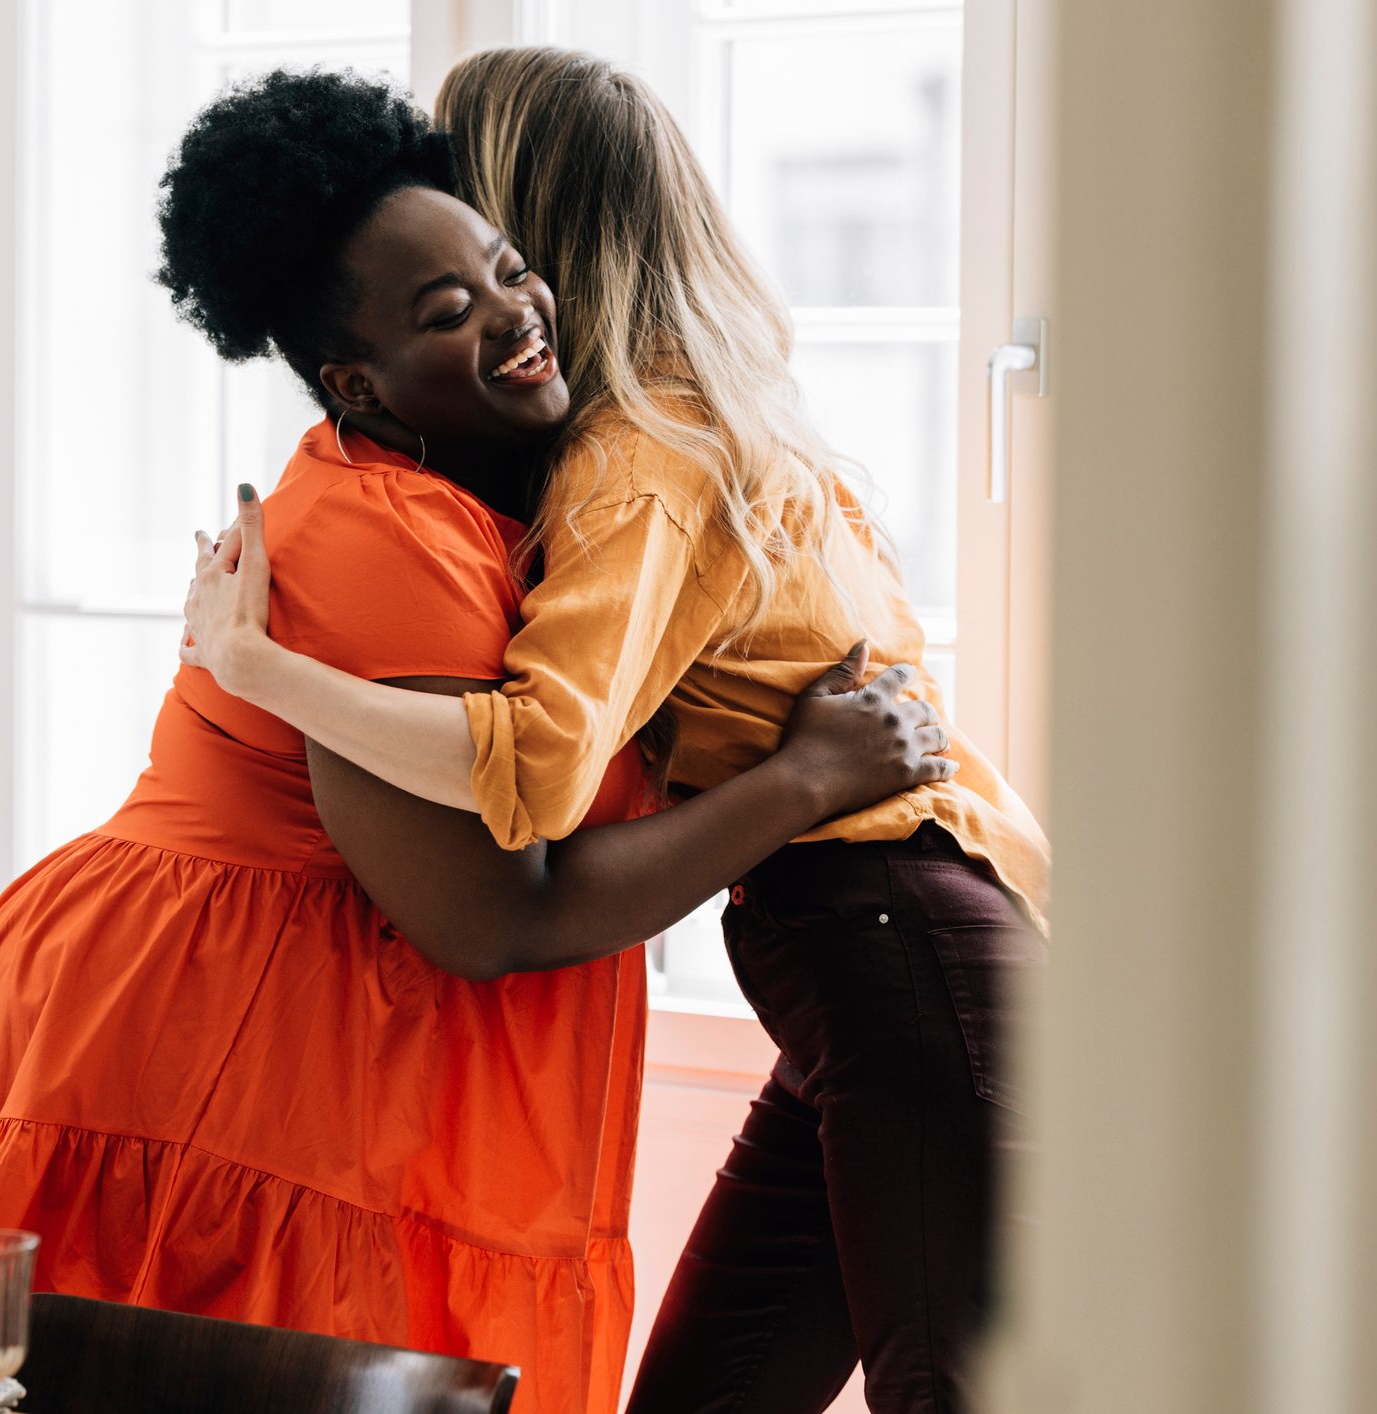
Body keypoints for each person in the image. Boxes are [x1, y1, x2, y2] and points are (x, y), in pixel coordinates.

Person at [0, 69, 950, 1414]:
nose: (513, 317)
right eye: (446, 311)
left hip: (283, 1024)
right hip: (201, 1035)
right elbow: (487, 915)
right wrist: (808, 778)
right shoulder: (386, 536)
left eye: (506, 271)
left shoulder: (523, 505)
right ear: (359, 379)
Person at [180, 48, 1051, 1414]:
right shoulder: (705, 421)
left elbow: (531, 776)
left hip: (893, 943)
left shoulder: (635, 463)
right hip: (868, 956)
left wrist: (259, 666)